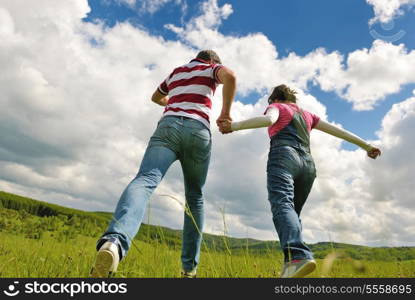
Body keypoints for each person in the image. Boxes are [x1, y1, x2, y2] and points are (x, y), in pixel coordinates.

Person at [91, 50, 236, 278]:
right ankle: (189, 270)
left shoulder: (177, 72)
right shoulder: (211, 69)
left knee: (145, 180)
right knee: (194, 197)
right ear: (212, 61)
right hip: (198, 130)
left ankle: (114, 243)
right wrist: (225, 114)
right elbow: (230, 77)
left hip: (167, 127)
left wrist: (174, 102)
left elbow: (156, 98)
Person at [218, 84, 381, 278]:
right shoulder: (308, 115)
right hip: (308, 165)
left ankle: (298, 256)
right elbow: (340, 132)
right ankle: (291, 265)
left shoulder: (277, 107)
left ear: (275, 99)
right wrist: (367, 146)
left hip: (284, 155)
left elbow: (268, 120)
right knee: (292, 213)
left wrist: (233, 126)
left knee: (282, 206)